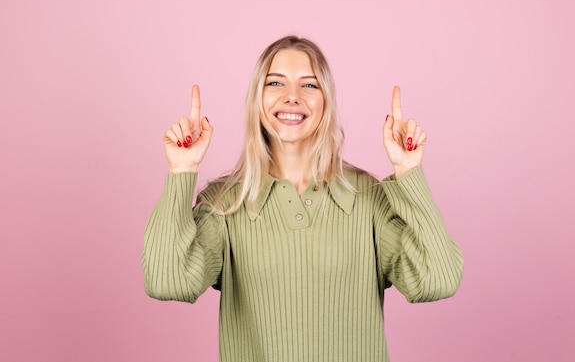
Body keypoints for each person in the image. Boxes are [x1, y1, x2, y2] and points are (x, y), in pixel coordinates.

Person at [142, 36, 464, 362]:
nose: (292, 97)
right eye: (275, 82)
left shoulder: (368, 199)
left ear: (327, 101)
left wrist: (409, 173)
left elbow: (437, 279)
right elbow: (167, 282)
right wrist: (181, 171)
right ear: (257, 99)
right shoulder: (226, 204)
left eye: (309, 85)